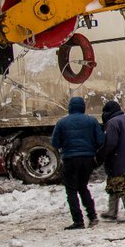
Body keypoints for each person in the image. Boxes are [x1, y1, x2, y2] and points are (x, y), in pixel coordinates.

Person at [50, 96, 103, 229]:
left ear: (70, 107)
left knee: (72, 190)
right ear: (83, 107)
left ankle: (78, 221)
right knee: (83, 187)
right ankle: (92, 216)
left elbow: (55, 143)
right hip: (88, 159)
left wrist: (66, 145)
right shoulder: (92, 121)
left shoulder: (62, 123)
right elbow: (101, 140)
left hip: (70, 159)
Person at [97, 100, 125, 222]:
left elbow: (110, 143)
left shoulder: (113, 123)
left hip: (118, 159)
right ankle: (112, 211)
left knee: (121, 186)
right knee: (113, 183)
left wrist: (101, 154)